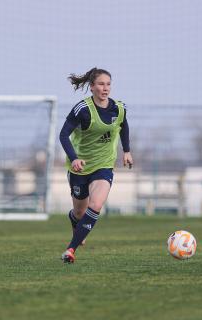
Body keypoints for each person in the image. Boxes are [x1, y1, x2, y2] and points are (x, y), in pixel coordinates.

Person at [59, 67, 133, 263]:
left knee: (96, 205)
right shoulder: (82, 109)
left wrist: (126, 151)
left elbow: (123, 125)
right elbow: (63, 135)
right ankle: (75, 220)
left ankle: (70, 250)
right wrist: (74, 158)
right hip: (80, 167)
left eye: (108, 84)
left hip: (104, 166)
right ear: (92, 87)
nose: (105, 88)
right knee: (80, 212)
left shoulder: (119, 108)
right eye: (101, 84)